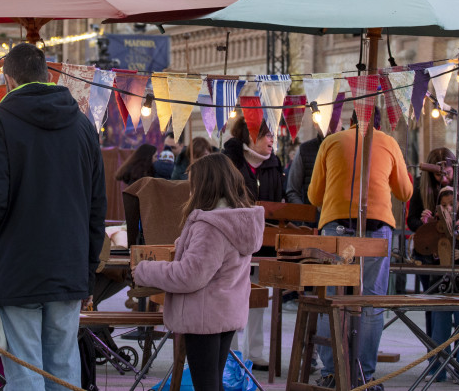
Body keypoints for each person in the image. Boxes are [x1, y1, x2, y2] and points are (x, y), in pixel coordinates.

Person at [0, 43, 106, 391]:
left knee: (25, 371)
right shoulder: (84, 126)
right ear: (47, 75)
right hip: (68, 268)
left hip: (18, 269)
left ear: (8, 79)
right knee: (62, 370)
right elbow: (98, 205)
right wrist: (87, 268)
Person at [132, 153, 264, 391]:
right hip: (224, 314)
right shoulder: (237, 221)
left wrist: (144, 270)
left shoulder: (210, 226)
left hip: (204, 316)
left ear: (206, 186)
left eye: (193, 185)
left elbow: (189, 275)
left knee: (206, 385)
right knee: (213, 383)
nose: (190, 192)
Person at [308, 113, 413, 389]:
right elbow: (404, 191)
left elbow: (314, 197)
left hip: (335, 230)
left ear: (351, 121)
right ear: (378, 123)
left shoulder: (331, 141)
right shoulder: (388, 142)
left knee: (333, 300)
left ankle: (332, 373)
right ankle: (363, 375)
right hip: (376, 231)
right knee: (371, 301)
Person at [406, 147, 459, 380]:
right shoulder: (422, 186)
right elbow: (411, 221)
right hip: (431, 256)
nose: (444, 178)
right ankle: (436, 367)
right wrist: (422, 223)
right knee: (436, 312)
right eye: (438, 175)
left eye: (447, 174)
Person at [222, 116, 283, 370]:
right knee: (232, 295)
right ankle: (231, 352)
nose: (272, 140)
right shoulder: (231, 160)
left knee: (259, 297)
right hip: (235, 241)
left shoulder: (274, 164)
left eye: (272, 136)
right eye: (267, 135)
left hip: (265, 240)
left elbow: (279, 199)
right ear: (251, 136)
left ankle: (254, 352)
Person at [285, 134, 323, 205]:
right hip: (311, 211)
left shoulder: (349, 146)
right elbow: (292, 190)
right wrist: (304, 212)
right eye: (292, 154)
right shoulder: (305, 149)